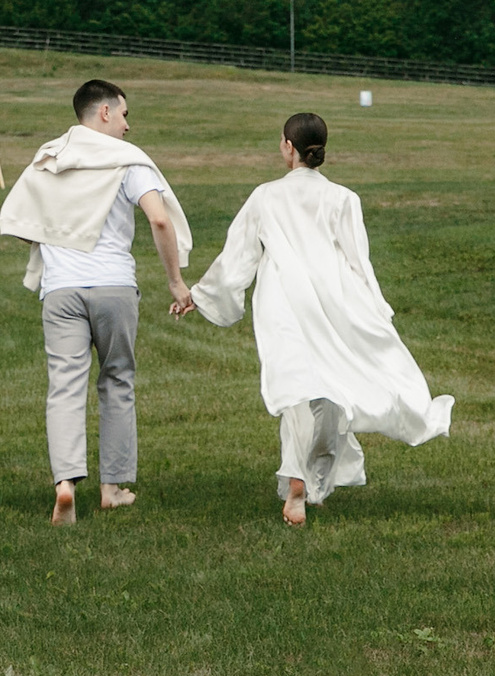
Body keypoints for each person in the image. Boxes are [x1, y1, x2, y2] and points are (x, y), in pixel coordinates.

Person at [180, 111, 452, 526]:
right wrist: (376, 311)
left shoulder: (266, 196)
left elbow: (238, 256)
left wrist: (200, 295)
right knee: (327, 394)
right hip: (333, 300)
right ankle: (309, 482)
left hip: (283, 301)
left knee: (296, 390)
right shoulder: (343, 198)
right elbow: (359, 263)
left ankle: (299, 482)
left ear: (288, 147)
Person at [0, 79, 195, 524]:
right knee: (117, 381)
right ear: (104, 112)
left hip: (61, 289)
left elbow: (21, 217)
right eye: (124, 114)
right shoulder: (129, 162)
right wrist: (175, 282)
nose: (128, 126)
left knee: (65, 387)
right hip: (113, 288)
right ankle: (112, 488)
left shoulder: (51, 157)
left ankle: (65, 485)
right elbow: (159, 220)